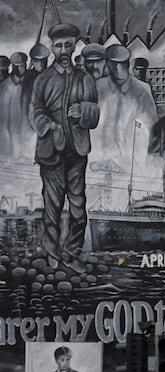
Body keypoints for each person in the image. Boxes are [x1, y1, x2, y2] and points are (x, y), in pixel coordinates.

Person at [30, 24, 100, 272]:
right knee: (52, 208)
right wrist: (51, 126)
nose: (63, 50)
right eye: (58, 45)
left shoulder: (85, 79)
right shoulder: (42, 80)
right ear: (52, 47)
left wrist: (84, 112)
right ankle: (51, 254)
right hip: (51, 153)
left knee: (78, 208)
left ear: (73, 46)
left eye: (68, 45)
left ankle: (71, 254)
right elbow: (35, 114)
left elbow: (95, 113)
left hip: (77, 153)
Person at [95, 45, 157, 158]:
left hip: (130, 157)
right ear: (108, 64)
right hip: (101, 155)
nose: (117, 69)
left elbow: (151, 126)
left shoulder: (141, 90)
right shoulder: (99, 87)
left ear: (127, 64)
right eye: (113, 64)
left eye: (122, 64)